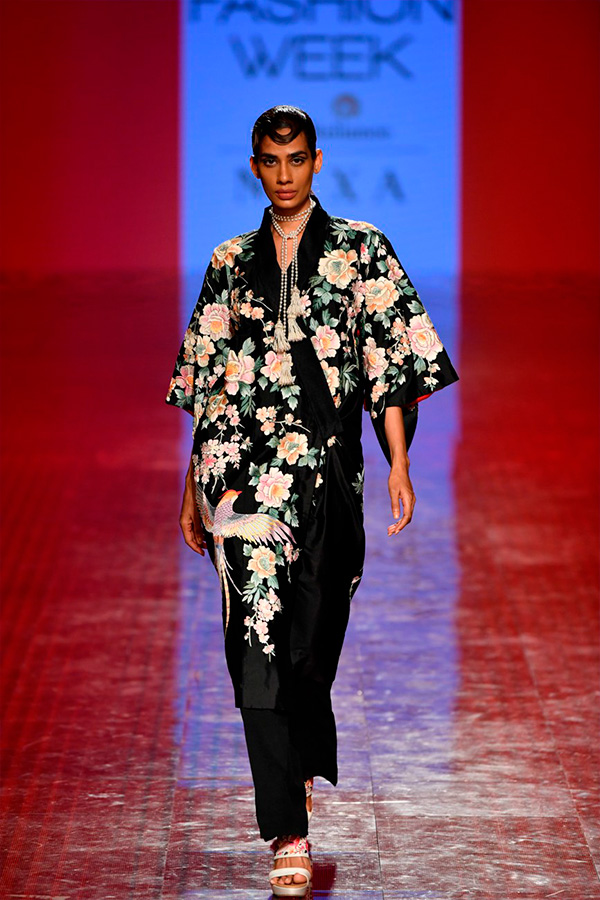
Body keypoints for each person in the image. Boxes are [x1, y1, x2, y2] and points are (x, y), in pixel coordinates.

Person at [166, 105, 458, 896]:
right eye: (271, 160)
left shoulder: (362, 251)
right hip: (241, 485)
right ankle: (286, 831)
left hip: (329, 479)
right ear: (255, 166)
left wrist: (399, 465)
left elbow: (391, 365)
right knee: (255, 641)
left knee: (310, 645)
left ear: (317, 161)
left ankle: (294, 759)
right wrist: (192, 488)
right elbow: (208, 385)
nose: (284, 174)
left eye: (296, 159)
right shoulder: (229, 262)